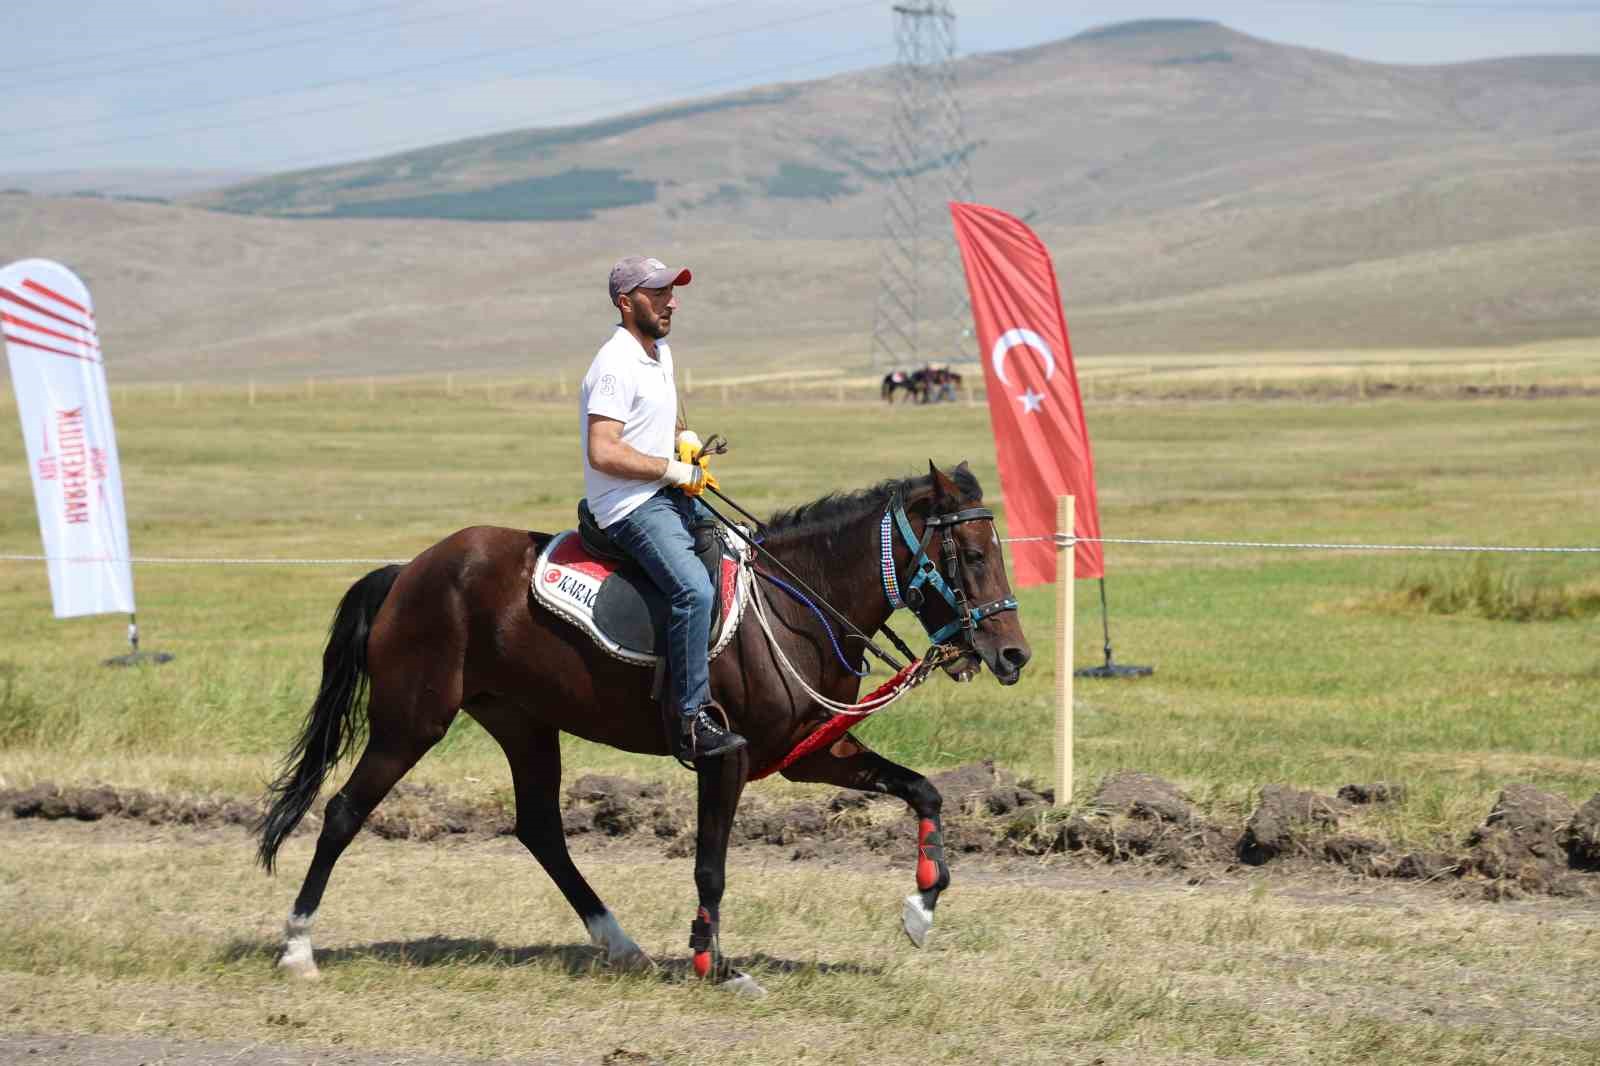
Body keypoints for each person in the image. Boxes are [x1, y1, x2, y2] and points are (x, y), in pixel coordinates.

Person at [579, 255, 747, 762]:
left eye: (672, 291)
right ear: (626, 303)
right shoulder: (613, 362)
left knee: (741, 547)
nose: (672, 301)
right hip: (627, 505)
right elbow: (603, 450)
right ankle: (690, 720)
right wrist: (671, 471)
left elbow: (663, 413)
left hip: (663, 491)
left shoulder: (660, 352)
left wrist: (685, 441)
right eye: (658, 293)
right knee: (694, 591)